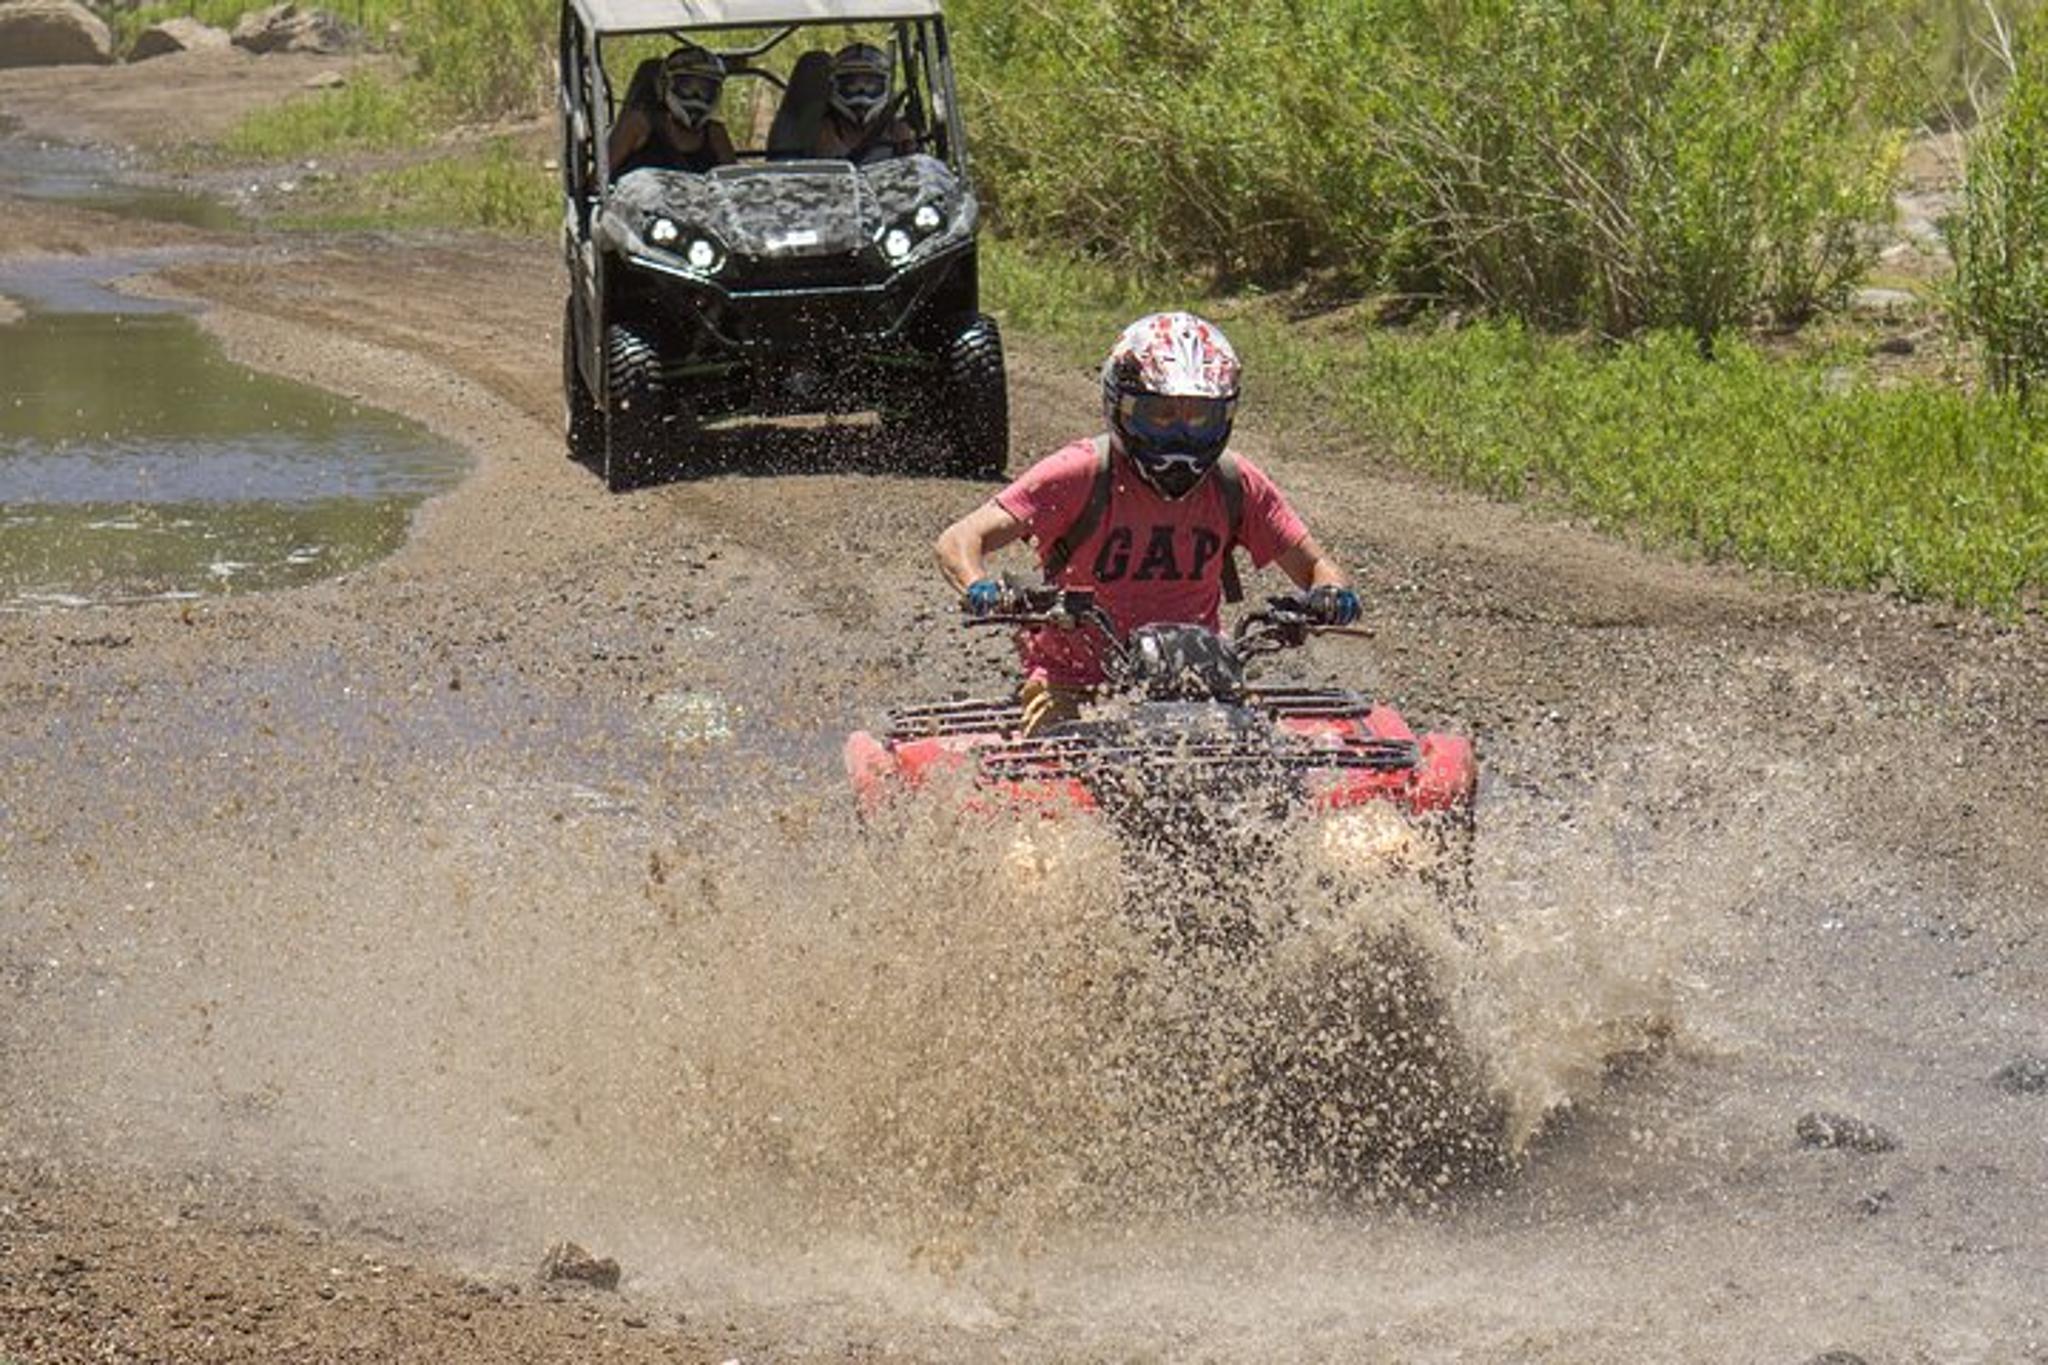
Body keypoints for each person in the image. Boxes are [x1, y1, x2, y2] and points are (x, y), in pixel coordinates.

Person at [935, 311, 1360, 707]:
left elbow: (1316, 566)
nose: (1182, 435)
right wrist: (980, 587)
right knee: (1055, 763)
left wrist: (1330, 595)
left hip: (1199, 683)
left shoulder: (1234, 481)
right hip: (1074, 684)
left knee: (1267, 756)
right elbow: (959, 540)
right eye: (1160, 415)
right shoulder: (1081, 473)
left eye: (1201, 418)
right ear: (1120, 405)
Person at [608, 43, 738, 176]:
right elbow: (600, 177)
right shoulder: (639, 125)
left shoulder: (715, 134)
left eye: (706, 89)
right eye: (687, 86)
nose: (697, 96)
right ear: (665, 84)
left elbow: (733, 181)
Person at [811, 41, 919, 163]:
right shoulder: (826, 128)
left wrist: (907, 146)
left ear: (885, 85)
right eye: (852, 84)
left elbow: (913, 166)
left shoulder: (895, 128)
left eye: (869, 85)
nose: (861, 92)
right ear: (835, 86)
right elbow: (833, 164)